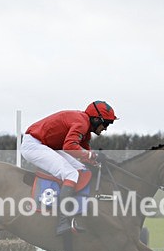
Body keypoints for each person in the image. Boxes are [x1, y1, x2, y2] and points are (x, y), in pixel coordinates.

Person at [21, 101, 117, 235]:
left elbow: (84, 156)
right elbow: (69, 146)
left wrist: (98, 162)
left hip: (48, 145)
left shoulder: (85, 128)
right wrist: (92, 155)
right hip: (34, 145)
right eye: (106, 123)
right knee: (71, 174)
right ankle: (62, 220)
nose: (106, 128)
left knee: (82, 169)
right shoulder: (82, 123)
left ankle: (76, 214)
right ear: (96, 119)